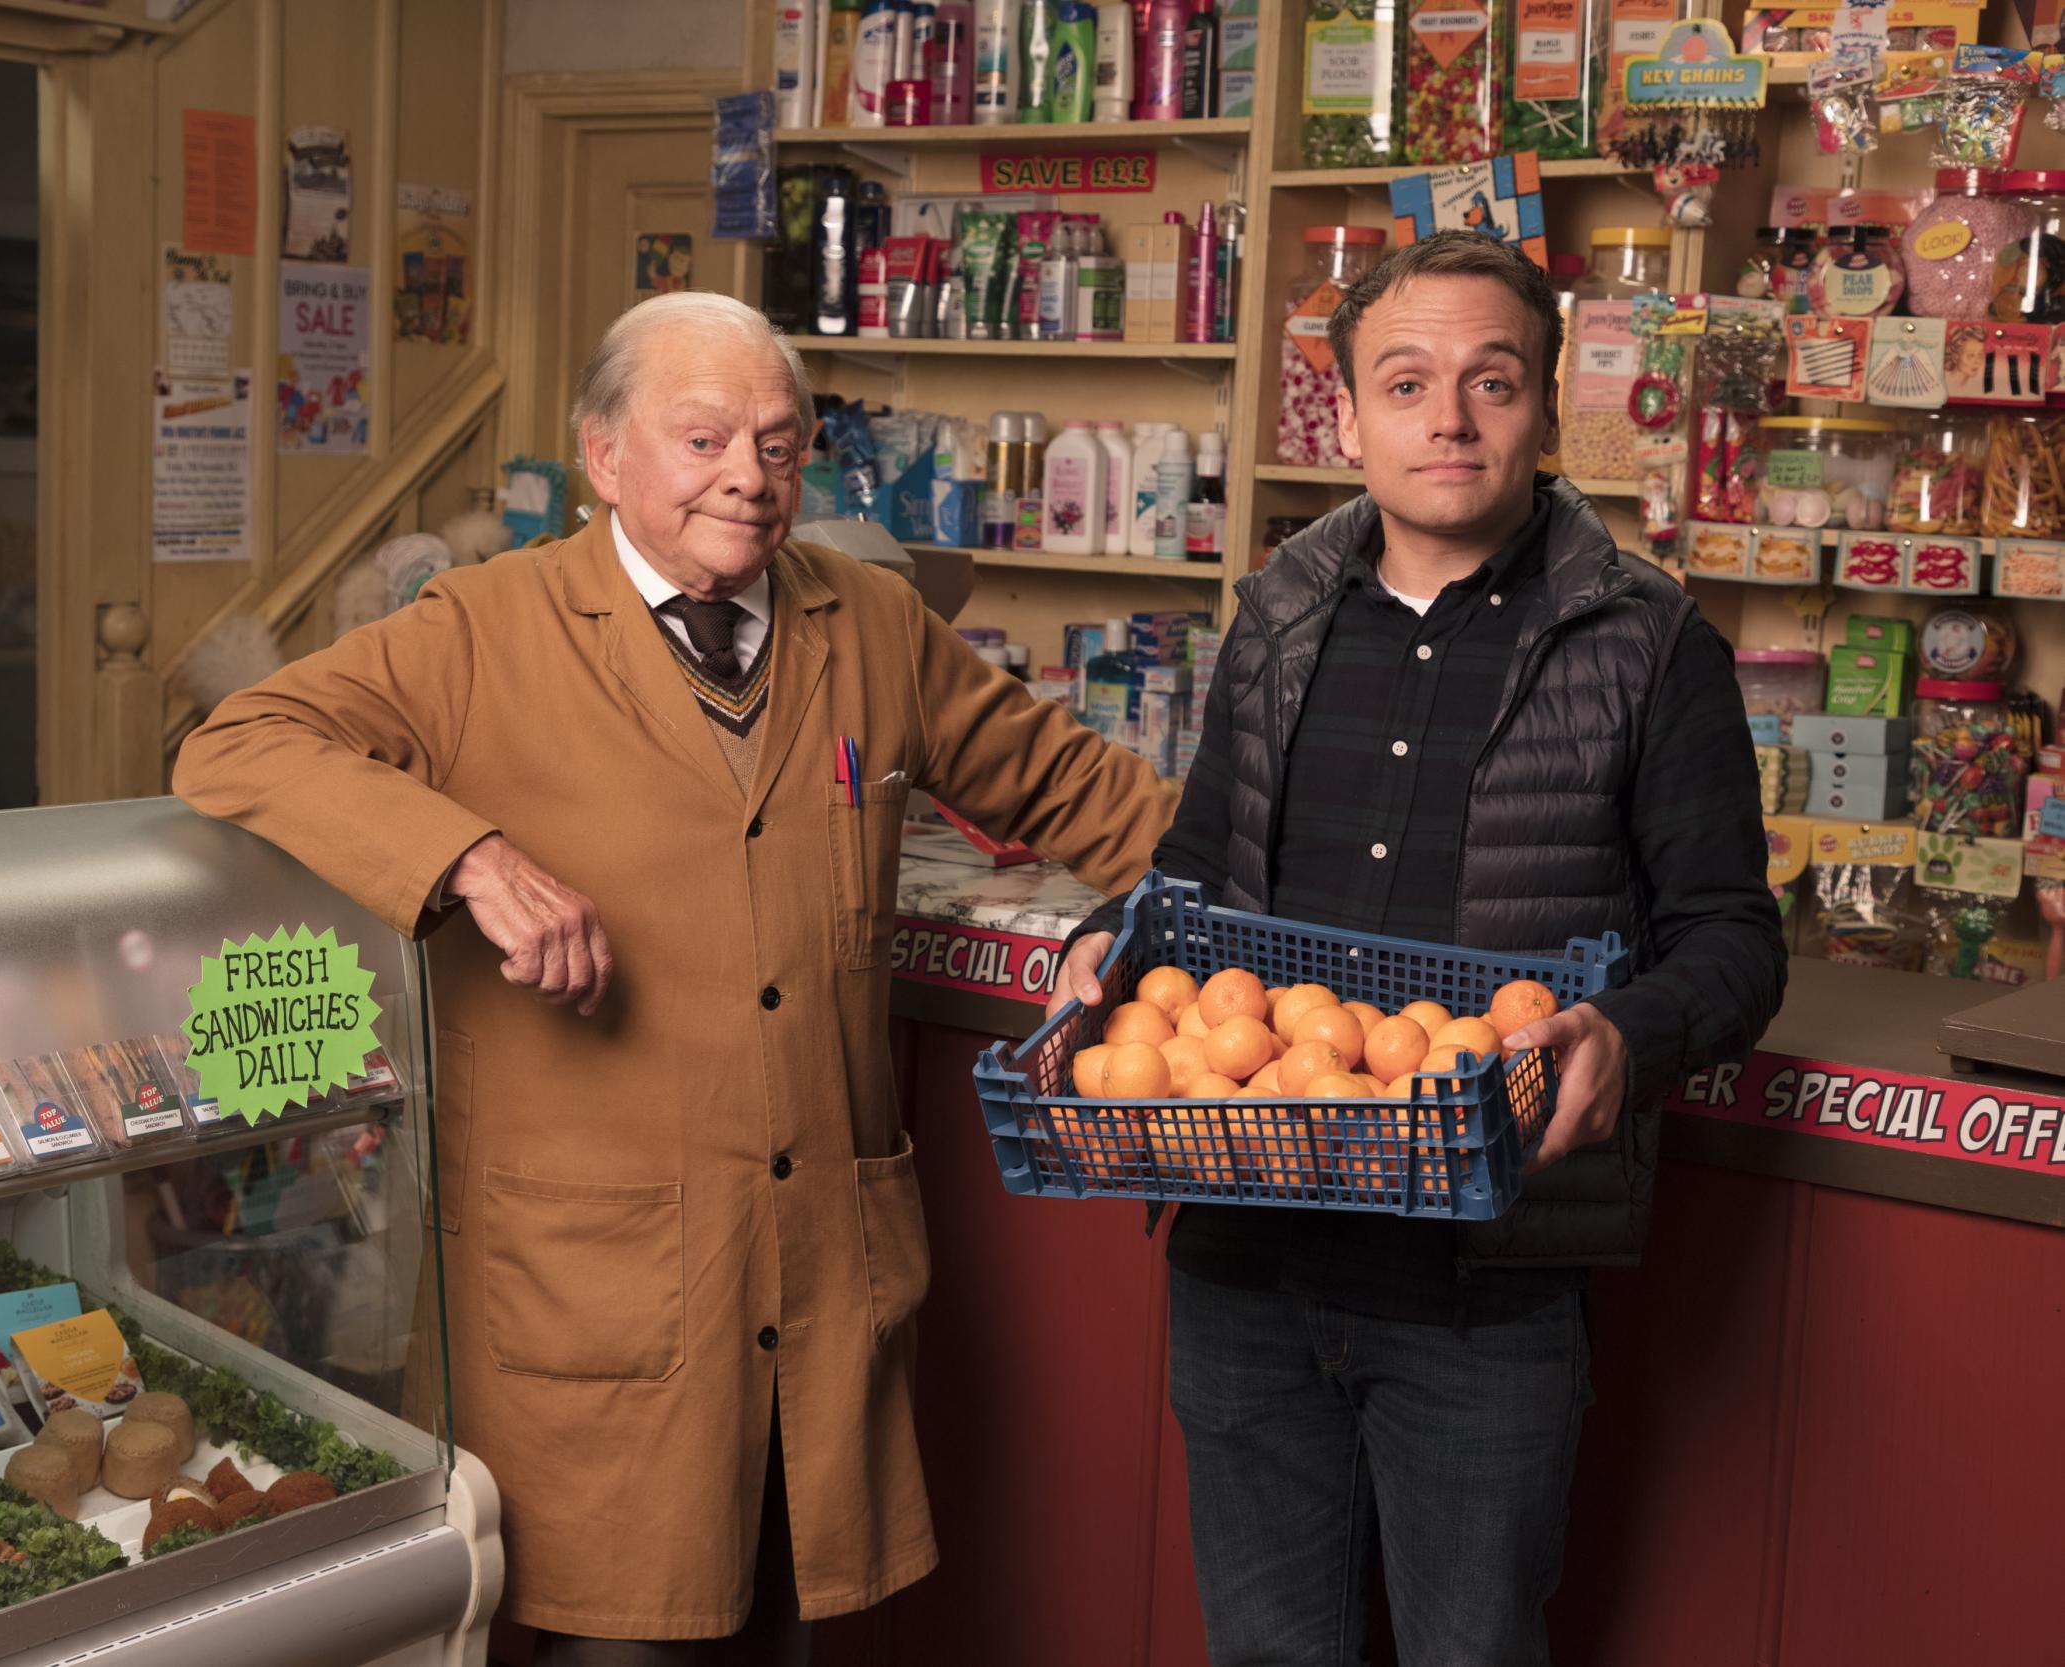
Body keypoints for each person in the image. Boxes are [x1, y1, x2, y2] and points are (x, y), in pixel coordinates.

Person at [175, 290, 1174, 1664]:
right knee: (622, 1645)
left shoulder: (871, 622)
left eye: (778, 443)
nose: (748, 480)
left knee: (785, 1634)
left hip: (820, 1276)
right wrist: (468, 854)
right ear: (601, 455)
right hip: (596, 1291)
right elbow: (241, 742)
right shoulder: (479, 629)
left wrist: (1187, 906)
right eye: (703, 438)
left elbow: (1084, 791)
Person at [1049, 231, 1787, 1665]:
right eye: (1406, 382)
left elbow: (1732, 942)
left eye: (1490, 381)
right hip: (1245, 1252)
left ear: (1545, 406)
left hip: (1486, 1289)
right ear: (1350, 413)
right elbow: (1196, 870)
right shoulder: (1272, 617)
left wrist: (1626, 1040)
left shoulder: (1646, 641)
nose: (1448, 418)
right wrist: (1103, 944)